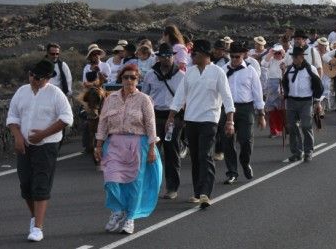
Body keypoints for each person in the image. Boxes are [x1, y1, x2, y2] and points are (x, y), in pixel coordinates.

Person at [6, 60, 74, 241]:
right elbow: (12, 116)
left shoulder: (55, 94)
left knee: (41, 184)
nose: (33, 80)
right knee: (26, 184)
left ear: (47, 79)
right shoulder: (21, 92)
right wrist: (18, 137)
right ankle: (34, 216)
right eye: (31, 75)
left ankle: (38, 228)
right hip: (25, 146)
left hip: (47, 146)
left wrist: (43, 134)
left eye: (37, 78)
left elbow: (66, 118)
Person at [94, 64, 162, 234]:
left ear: (138, 80)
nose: (129, 80)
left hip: (137, 143)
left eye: (133, 77)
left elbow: (150, 124)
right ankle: (118, 211)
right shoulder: (111, 99)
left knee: (134, 183)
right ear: (121, 79)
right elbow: (102, 122)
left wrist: (152, 148)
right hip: (114, 143)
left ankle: (130, 217)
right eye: (126, 77)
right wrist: (98, 145)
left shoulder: (144, 99)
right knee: (110, 180)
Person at [167, 40, 235, 208]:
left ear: (205, 54)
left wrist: (230, 120)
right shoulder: (189, 72)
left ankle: (205, 193)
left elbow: (227, 97)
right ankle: (197, 192)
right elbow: (180, 96)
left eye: (195, 53)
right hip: (191, 120)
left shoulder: (218, 72)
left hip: (209, 120)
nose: (192, 56)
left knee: (205, 155)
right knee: (196, 157)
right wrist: (171, 115)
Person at [141, 43, 186, 200]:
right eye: (163, 56)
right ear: (158, 57)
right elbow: (144, 97)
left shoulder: (181, 76)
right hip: (154, 116)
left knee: (171, 153)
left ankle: (172, 187)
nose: (166, 59)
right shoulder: (150, 75)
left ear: (173, 56)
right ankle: (149, 187)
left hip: (173, 117)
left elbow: (185, 99)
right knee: (151, 153)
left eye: (169, 56)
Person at [220, 43, 266, 184]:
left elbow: (257, 93)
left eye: (237, 57)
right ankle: (232, 172)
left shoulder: (250, 71)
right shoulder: (222, 70)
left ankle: (245, 162)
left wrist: (261, 114)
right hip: (227, 108)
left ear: (243, 55)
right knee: (227, 141)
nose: (234, 60)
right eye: (232, 56)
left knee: (246, 139)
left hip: (245, 108)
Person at [282, 46, 323, 162]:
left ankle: (308, 151)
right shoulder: (289, 69)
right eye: (293, 57)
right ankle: (296, 152)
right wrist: (284, 94)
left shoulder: (311, 69)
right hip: (291, 101)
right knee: (292, 127)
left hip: (306, 101)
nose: (294, 59)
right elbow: (285, 83)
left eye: (296, 57)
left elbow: (318, 86)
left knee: (306, 126)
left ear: (301, 57)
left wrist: (317, 102)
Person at [263, 44, 287, 138]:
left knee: (282, 107)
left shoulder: (285, 61)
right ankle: (274, 131)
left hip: (282, 82)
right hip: (271, 83)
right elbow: (264, 64)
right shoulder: (271, 60)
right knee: (271, 108)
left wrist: (283, 55)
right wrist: (270, 53)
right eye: (276, 53)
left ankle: (284, 129)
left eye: (279, 52)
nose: (277, 54)